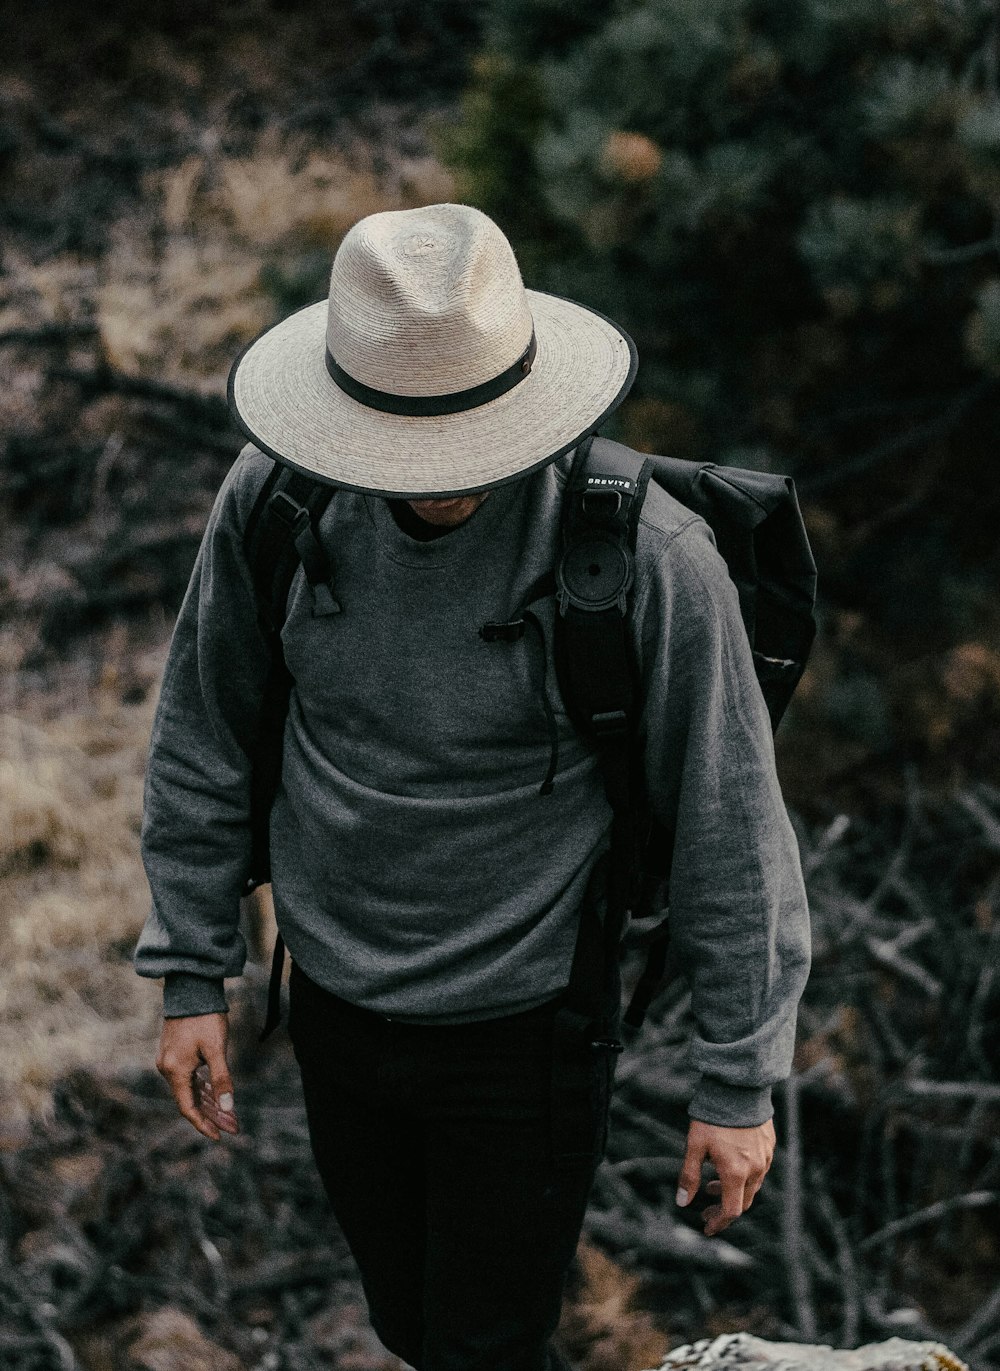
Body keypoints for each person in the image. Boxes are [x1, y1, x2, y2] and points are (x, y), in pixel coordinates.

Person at [134, 202, 811, 1371]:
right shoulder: (278, 505)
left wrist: (737, 1081)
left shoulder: (649, 560)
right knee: (411, 1323)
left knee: (484, 1343)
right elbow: (201, 728)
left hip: (528, 1030)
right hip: (333, 1007)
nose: (440, 482)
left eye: (469, 448)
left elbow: (731, 824)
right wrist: (193, 965)